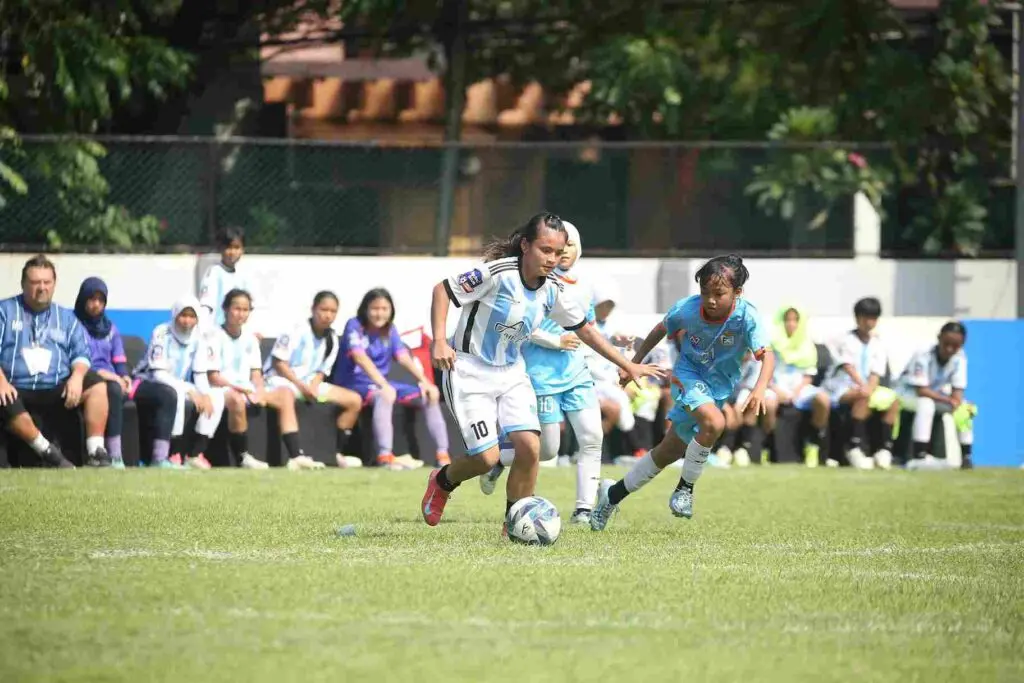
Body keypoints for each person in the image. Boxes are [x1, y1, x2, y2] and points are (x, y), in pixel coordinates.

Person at [420, 212, 666, 534]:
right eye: (545, 250)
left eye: (558, 252)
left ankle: (514, 521)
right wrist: (439, 341)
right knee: (485, 458)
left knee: (531, 448)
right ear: (525, 245)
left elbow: (586, 331)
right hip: (468, 370)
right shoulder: (497, 274)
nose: (552, 258)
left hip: (512, 373)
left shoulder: (552, 290)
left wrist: (627, 364)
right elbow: (443, 290)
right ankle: (442, 480)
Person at [590, 254, 775, 530]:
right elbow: (659, 330)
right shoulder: (687, 310)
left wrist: (760, 389)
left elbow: (767, 356)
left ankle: (611, 495)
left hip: (718, 388)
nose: (710, 300)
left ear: (738, 292)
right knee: (716, 421)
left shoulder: (748, 316)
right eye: (704, 293)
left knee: (667, 452)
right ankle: (684, 489)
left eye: (719, 294)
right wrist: (633, 364)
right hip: (687, 377)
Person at [479, 221, 606, 525]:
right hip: (541, 376)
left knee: (592, 437)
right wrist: (554, 340)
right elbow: (521, 326)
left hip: (576, 374)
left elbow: (589, 330)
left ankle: (584, 510)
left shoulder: (584, 286)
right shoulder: (532, 279)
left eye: (567, 248)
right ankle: (497, 459)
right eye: (551, 249)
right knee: (547, 450)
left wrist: (613, 359)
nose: (560, 254)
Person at [0, 255, 111, 468]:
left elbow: (81, 354)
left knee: (96, 384)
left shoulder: (67, 318)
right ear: (23, 284)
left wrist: (77, 377)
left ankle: (96, 451)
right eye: (35, 282)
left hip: (55, 388)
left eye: (46, 282)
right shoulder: (4, 311)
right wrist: (1, 382)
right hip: (15, 387)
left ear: (54, 284)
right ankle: (48, 451)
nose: (41, 288)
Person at [333, 287, 449, 470]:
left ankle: (443, 455)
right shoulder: (354, 325)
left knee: (430, 394)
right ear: (365, 309)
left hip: (381, 383)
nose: (379, 313)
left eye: (384, 309)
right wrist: (383, 384)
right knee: (386, 394)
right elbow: (359, 357)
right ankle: (385, 456)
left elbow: (403, 357)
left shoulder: (391, 330)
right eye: (375, 308)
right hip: (354, 384)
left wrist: (426, 382)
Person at [197, 289, 300, 469]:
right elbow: (213, 377)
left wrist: (259, 390)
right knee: (237, 400)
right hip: (222, 390)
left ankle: (295, 456)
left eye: (245, 310)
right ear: (226, 309)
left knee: (285, 394)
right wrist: (241, 389)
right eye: (237, 308)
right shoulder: (212, 336)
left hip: (247, 388)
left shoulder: (251, 339)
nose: (241, 314)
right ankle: (242, 457)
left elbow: (256, 374)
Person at [265, 290, 363, 470]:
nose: (328, 315)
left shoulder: (332, 338)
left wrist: (313, 386)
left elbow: (322, 370)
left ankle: (337, 453)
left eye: (333, 311)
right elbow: (279, 363)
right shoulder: (295, 330)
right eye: (323, 309)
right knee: (286, 396)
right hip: (282, 381)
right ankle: (295, 456)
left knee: (354, 400)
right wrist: (301, 386)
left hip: (309, 384)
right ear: (313, 309)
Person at [131, 296, 225, 469]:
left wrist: (204, 395)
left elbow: (200, 374)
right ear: (175, 315)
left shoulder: (199, 337)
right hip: (147, 381)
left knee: (216, 396)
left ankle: (195, 453)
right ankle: (172, 452)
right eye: (183, 315)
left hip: (177, 384)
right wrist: (189, 390)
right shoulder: (162, 332)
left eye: (192, 316)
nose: (187, 321)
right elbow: (158, 374)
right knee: (176, 394)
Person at [822, 297, 900, 470]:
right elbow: (848, 367)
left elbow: (876, 373)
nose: (870, 322)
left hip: (866, 387)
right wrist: (865, 388)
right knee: (863, 396)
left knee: (893, 401)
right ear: (857, 318)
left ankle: (884, 450)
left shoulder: (878, 343)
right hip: (840, 387)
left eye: (873, 318)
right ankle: (854, 448)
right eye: (866, 318)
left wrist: (870, 388)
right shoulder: (845, 339)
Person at [897, 321, 974, 470]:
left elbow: (958, 391)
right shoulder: (923, 354)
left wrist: (957, 402)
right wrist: (948, 400)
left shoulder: (960, 358)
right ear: (939, 338)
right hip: (906, 394)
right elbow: (921, 390)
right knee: (926, 404)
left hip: (936, 396)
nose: (950, 349)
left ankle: (966, 456)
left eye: (956, 345)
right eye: (946, 343)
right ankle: (920, 454)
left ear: (962, 344)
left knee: (965, 408)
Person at [74, 277, 131, 469]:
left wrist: (124, 376)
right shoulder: (74, 325)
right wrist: (111, 376)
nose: (96, 304)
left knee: (117, 388)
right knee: (113, 388)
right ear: (83, 299)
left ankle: (114, 454)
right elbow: (77, 358)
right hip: (86, 375)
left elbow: (119, 358)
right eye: (91, 299)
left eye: (100, 300)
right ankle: (113, 454)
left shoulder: (110, 328)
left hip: (111, 377)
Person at [770, 304, 830, 466]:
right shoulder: (771, 344)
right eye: (787, 320)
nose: (791, 324)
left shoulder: (807, 345)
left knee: (823, 399)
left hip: (800, 390)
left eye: (795, 320)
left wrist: (796, 391)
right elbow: (764, 374)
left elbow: (808, 376)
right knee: (768, 404)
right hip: (775, 389)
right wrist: (777, 390)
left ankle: (812, 444)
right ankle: (767, 446)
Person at [198, 226, 258, 331]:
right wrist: (204, 331)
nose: (232, 252)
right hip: (217, 332)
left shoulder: (244, 275)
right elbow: (206, 306)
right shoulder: (214, 273)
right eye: (228, 247)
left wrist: (253, 331)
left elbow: (250, 307)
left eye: (237, 247)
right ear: (220, 248)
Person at [730, 352, 778, 467]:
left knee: (762, 405)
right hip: (729, 396)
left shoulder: (756, 362)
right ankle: (732, 449)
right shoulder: (728, 360)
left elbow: (752, 387)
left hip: (750, 391)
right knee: (738, 411)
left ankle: (761, 446)